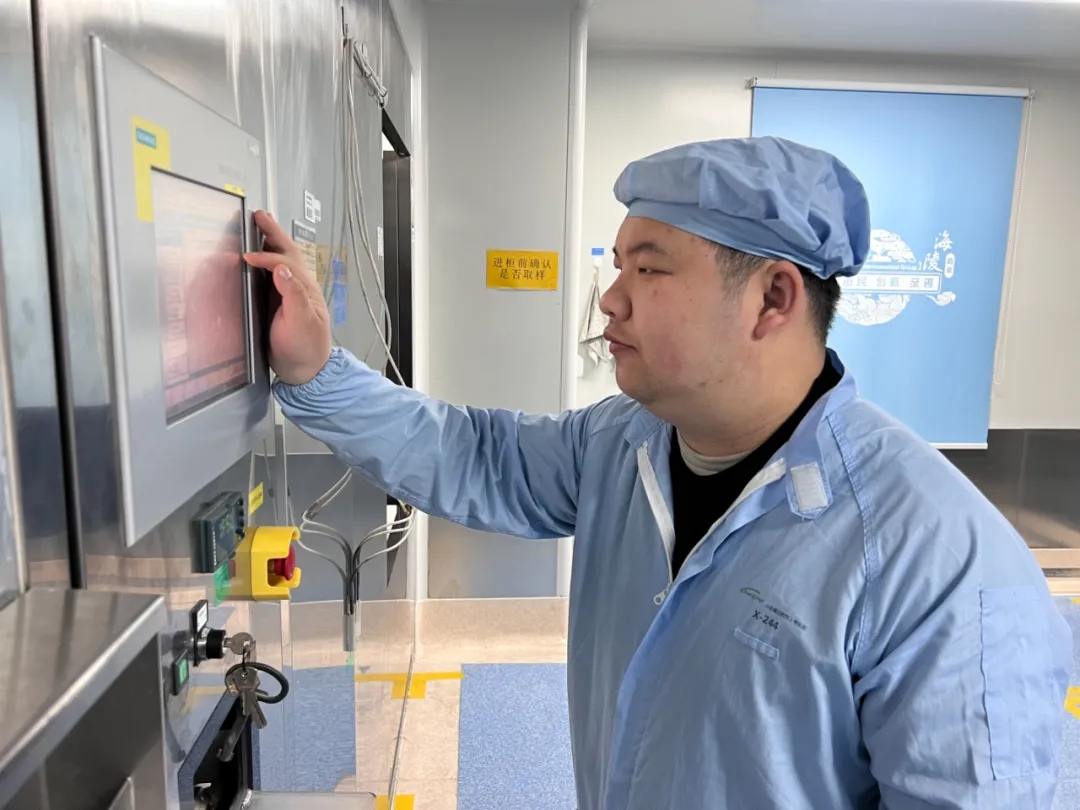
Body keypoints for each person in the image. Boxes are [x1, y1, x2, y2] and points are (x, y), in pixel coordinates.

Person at [244, 136, 1072, 809]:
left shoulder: (937, 561)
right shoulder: (623, 443)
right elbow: (474, 454)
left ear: (773, 299)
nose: (611, 298)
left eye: (649, 268)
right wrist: (316, 371)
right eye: (619, 265)